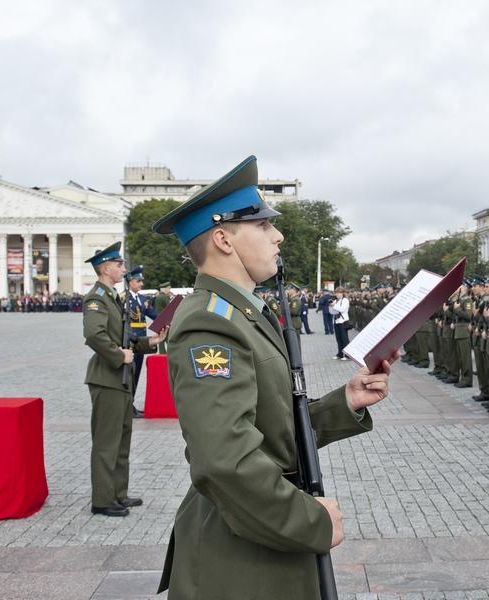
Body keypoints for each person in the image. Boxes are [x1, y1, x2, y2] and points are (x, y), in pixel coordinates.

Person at [151, 155, 395, 599]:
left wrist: (347, 401)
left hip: (261, 530)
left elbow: (273, 428)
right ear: (223, 238)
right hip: (245, 554)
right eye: (262, 226)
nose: (277, 235)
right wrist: (308, 520)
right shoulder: (210, 322)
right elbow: (225, 460)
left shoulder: (245, 313)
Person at [82, 243, 167, 517]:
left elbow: (125, 338)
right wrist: (120, 356)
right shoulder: (96, 297)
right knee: (107, 441)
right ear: (106, 268)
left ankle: (118, 493)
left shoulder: (113, 296)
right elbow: (95, 335)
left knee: (121, 439)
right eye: (119, 265)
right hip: (107, 376)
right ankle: (103, 499)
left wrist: (152, 341)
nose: (124, 269)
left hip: (120, 377)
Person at [123, 265, 160, 417]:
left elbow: (154, 315)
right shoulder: (123, 298)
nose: (141, 284)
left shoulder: (143, 299)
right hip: (129, 341)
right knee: (128, 373)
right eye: (138, 281)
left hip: (142, 341)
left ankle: (130, 404)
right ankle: (126, 406)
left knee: (136, 373)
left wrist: (170, 318)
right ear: (130, 281)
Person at [331, 286, 351, 360]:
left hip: (343, 322)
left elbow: (342, 309)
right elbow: (332, 312)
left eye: (339, 293)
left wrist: (334, 306)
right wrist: (331, 306)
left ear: (342, 293)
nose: (337, 294)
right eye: (336, 293)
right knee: (338, 339)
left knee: (344, 339)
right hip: (336, 321)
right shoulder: (337, 301)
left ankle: (347, 355)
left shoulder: (345, 300)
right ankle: (340, 353)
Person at [153, 282, 173, 353]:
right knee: (168, 339)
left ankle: (162, 354)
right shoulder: (164, 297)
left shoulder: (158, 297)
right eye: (168, 288)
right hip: (164, 321)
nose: (169, 290)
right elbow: (170, 309)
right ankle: (170, 354)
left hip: (159, 320)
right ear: (165, 289)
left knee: (161, 340)